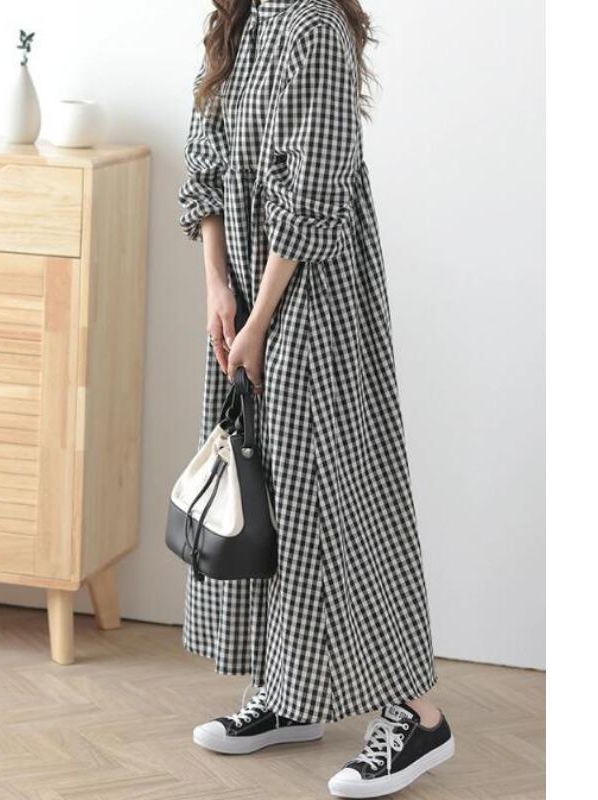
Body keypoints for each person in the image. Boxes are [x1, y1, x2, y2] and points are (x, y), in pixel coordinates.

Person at [176, 1, 455, 797]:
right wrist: (218, 286)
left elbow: (316, 203)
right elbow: (204, 156)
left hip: (311, 303)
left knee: (338, 502)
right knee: (273, 502)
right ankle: (291, 693)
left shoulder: (315, 32)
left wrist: (259, 319)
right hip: (246, 299)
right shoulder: (244, 19)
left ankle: (420, 717)